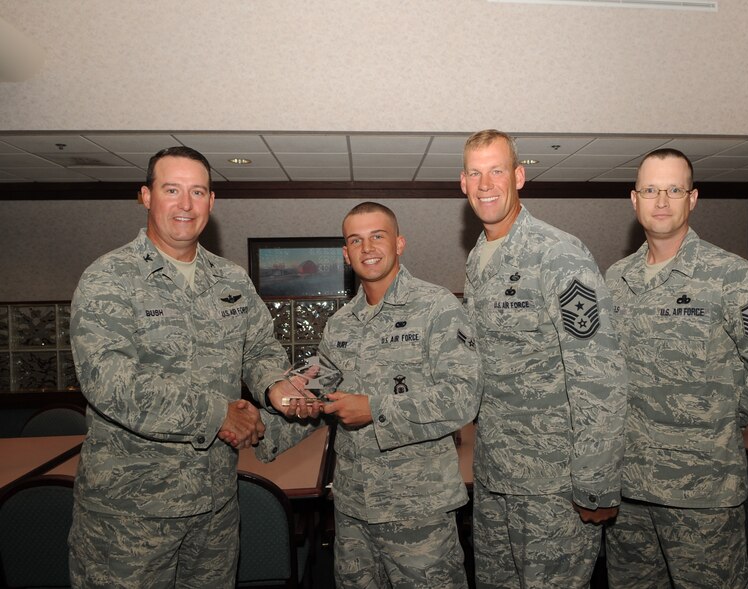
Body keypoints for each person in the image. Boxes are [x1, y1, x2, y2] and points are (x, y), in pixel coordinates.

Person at [68, 146, 313, 588]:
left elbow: (259, 349)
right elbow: (109, 383)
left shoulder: (230, 279)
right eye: (172, 190)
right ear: (146, 196)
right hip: (131, 513)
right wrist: (217, 413)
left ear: (211, 202)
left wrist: (277, 386)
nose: (185, 204)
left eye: (197, 191)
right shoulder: (109, 278)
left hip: (215, 503)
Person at [604, 148, 748, 588]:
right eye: (651, 190)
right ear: (634, 199)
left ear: (692, 199)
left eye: (674, 189)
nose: (662, 200)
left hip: (700, 491)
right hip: (626, 490)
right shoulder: (614, 280)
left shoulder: (730, 276)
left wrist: (719, 415)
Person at [257, 202, 481, 588]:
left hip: (419, 512)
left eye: (378, 236)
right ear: (346, 254)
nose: (368, 247)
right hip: (352, 510)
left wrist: (375, 410)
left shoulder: (437, 306)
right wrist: (261, 424)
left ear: (399, 243)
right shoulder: (341, 322)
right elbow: (319, 393)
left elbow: (464, 396)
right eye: (355, 240)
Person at [460, 129, 627, 588]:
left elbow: (599, 373)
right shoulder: (479, 259)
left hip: (553, 484)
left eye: (497, 170)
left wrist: (596, 481)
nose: (486, 183)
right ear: (463, 183)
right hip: (496, 474)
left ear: (518, 176)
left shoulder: (558, 254)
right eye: (475, 173)